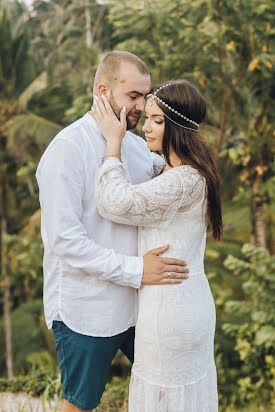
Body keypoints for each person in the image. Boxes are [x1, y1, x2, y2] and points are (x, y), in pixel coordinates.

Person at [36, 51, 190, 412]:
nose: (141, 106)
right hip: (86, 307)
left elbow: (173, 178)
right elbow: (65, 241)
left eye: (145, 96)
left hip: (140, 305)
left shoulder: (136, 146)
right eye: (133, 96)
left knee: (168, 392)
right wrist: (138, 270)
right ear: (103, 91)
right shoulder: (66, 149)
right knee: (80, 404)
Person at [93, 79, 222, 411]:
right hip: (179, 303)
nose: (146, 127)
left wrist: (113, 143)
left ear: (178, 127)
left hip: (172, 313)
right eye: (147, 118)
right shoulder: (185, 173)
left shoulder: (182, 180)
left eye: (157, 120)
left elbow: (113, 202)